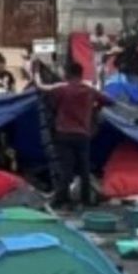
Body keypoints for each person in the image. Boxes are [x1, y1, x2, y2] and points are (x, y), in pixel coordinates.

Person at [42, 61, 112, 210]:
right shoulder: (89, 91)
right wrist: (95, 109)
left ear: (67, 75)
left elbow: (51, 103)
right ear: (81, 75)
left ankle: (61, 199)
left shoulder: (61, 90)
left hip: (64, 133)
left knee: (66, 168)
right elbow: (109, 101)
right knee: (84, 168)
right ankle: (85, 200)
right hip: (82, 134)